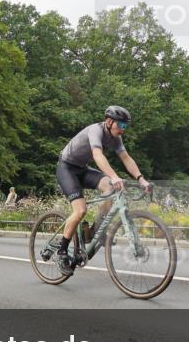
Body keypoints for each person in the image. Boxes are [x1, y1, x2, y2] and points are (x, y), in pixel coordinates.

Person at [52, 105, 151, 275]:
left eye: (125, 126)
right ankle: (61, 251)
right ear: (109, 121)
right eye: (121, 125)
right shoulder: (95, 131)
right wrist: (114, 175)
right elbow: (98, 156)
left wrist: (141, 179)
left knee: (110, 188)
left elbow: (126, 158)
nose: (123, 130)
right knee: (80, 210)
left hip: (82, 169)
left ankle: (94, 231)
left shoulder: (115, 137)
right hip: (66, 168)